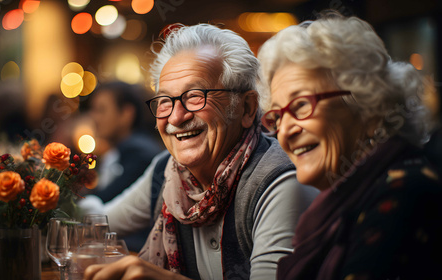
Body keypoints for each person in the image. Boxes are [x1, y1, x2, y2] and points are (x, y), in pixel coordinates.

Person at [83, 24, 319, 280]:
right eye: (164, 101)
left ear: (247, 108)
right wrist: (43, 194)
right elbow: (95, 223)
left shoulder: (279, 181)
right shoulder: (168, 171)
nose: (175, 117)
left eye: (195, 96)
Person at [257, 11, 442, 280]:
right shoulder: (338, 206)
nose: (284, 132)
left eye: (301, 105)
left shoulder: (404, 192)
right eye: (277, 115)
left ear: (369, 108)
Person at [79, 81, 163, 251]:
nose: (94, 117)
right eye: (93, 110)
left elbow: (104, 203)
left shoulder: (139, 153)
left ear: (126, 114)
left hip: (135, 250)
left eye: (101, 110)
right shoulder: (124, 149)